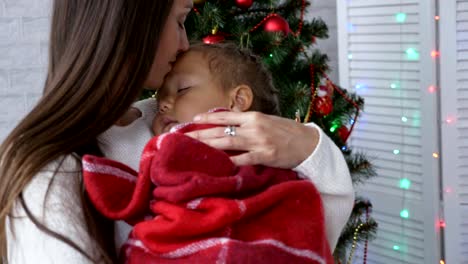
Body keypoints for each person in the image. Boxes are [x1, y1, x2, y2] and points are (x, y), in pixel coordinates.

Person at [0, 0, 352, 263]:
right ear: (133, 23)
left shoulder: (192, 123)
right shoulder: (55, 176)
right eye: (181, 20)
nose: (185, 44)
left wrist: (309, 146)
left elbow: (311, 234)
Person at [82, 43, 339, 263]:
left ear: (237, 101)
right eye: (160, 96)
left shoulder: (276, 152)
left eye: (182, 90)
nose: (162, 103)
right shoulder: (157, 143)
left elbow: (304, 212)